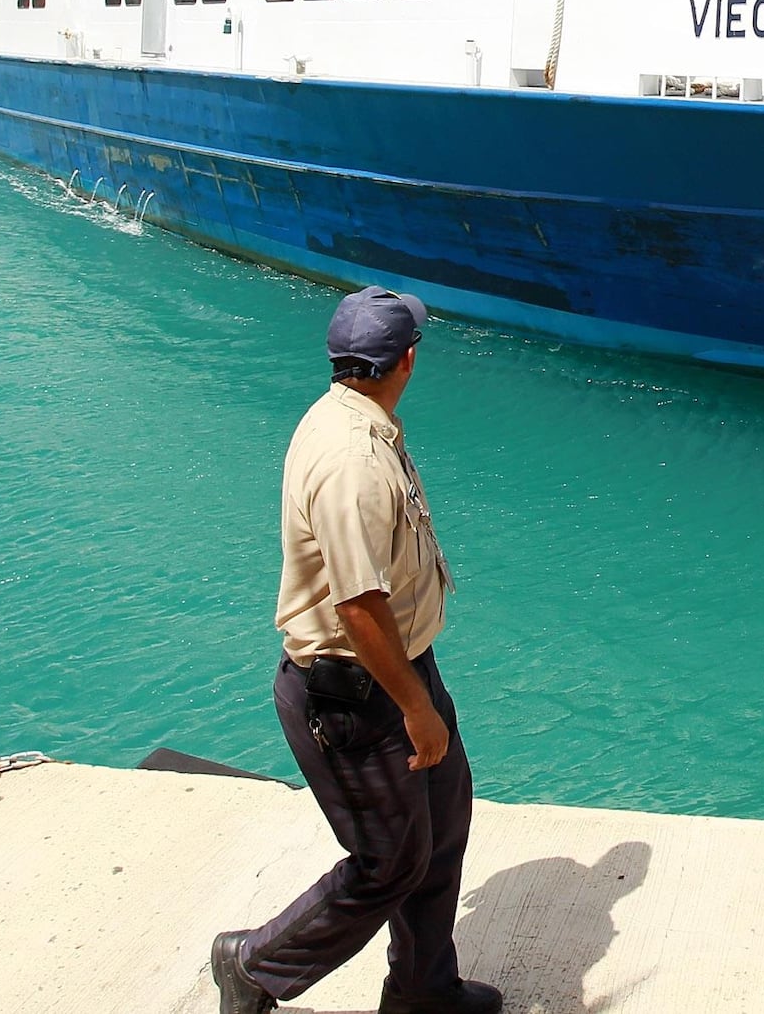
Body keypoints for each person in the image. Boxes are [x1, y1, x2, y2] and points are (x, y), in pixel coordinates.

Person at [212, 287, 498, 1014]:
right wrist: (415, 707)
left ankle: (423, 993)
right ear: (405, 358)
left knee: (442, 831)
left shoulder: (359, 421)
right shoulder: (351, 459)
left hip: (401, 667)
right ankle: (253, 964)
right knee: (389, 862)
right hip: (353, 692)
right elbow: (359, 606)